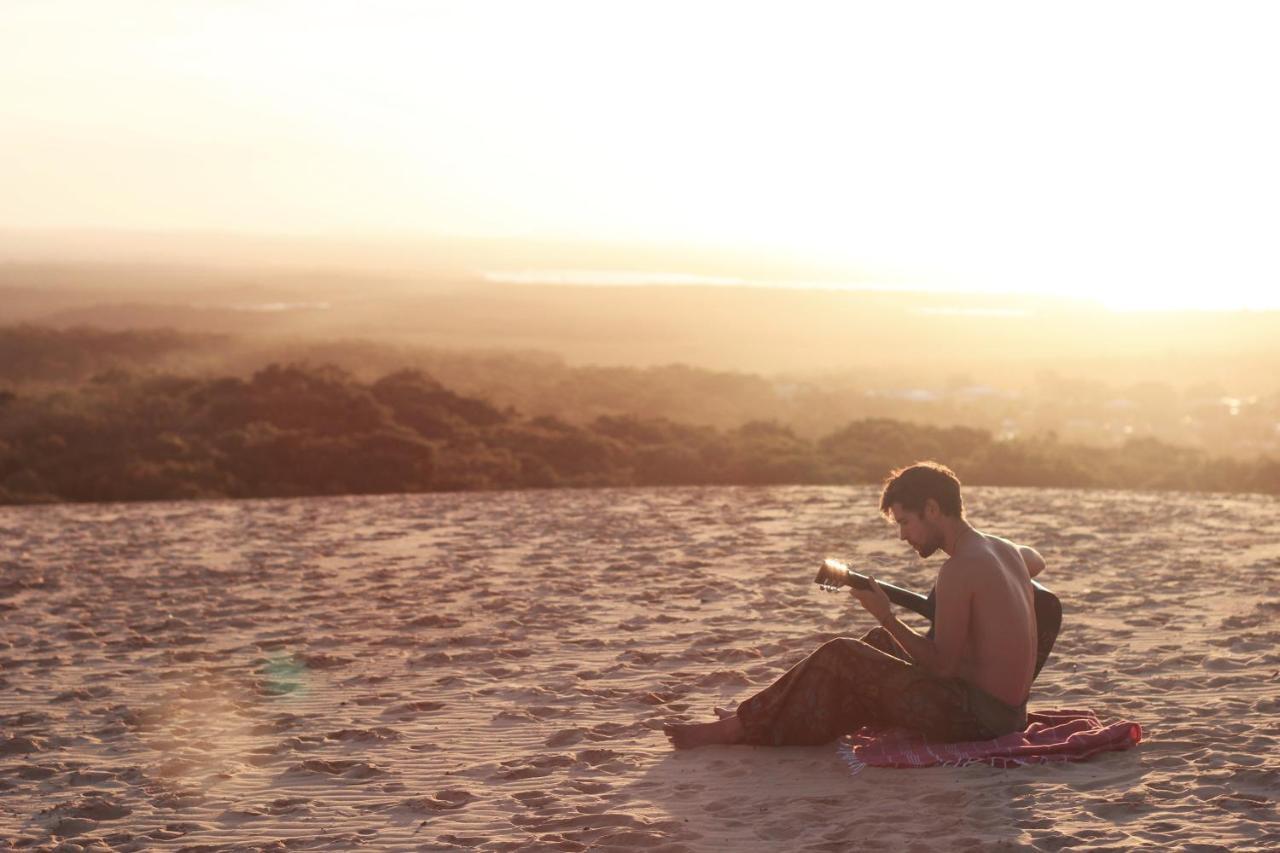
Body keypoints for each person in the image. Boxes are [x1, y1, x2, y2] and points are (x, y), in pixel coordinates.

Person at [663, 461, 1045, 749]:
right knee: (877, 644)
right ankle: (756, 716)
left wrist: (888, 616)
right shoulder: (1006, 550)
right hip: (1011, 713)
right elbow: (1036, 561)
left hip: (980, 721)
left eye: (905, 522)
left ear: (932, 509)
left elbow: (943, 667)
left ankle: (736, 728)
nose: (902, 536)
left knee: (842, 655)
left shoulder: (960, 568)